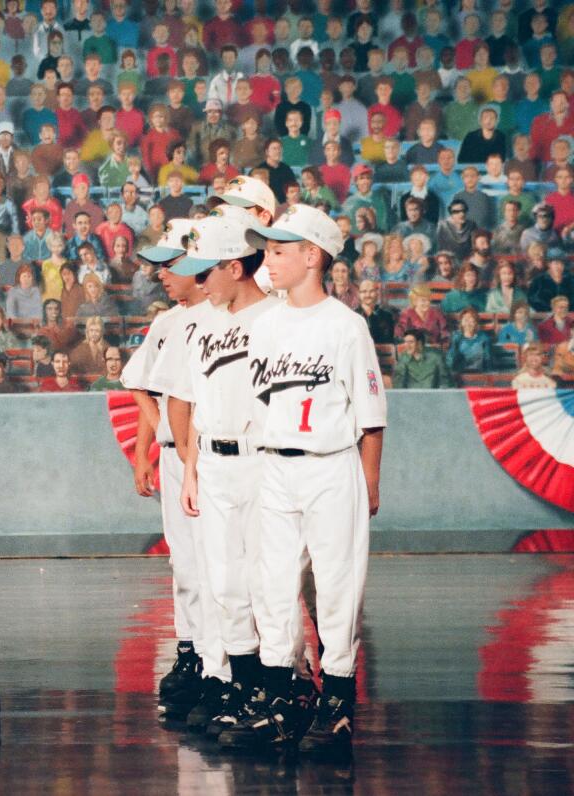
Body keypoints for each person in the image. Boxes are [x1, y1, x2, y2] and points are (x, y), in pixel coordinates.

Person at [224, 205, 386, 757]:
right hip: (275, 465)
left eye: (278, 250)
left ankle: (338, 701)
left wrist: (370, 482)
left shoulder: (346, 326)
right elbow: (255, 405)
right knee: (270, 585)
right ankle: (281, 699)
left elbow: (371, 414)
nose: (267, 259)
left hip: (330, 464)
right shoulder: (264, 324)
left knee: (338, 585)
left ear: (312, 255)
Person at [165, 215, 283, 735]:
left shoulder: (279, 321)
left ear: (235, 267)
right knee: (225, 583)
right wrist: (190, 468)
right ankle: (241, 681)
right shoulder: (205, 324)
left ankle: (281, 688)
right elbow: (198, 406)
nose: (199, 281)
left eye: (207, 270)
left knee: (268, 583)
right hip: (212, 463)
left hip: (262, 461)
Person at [127, 220, 219, 719]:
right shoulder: (167, 321)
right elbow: (145, 385)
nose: (161, 273)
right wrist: (148, 447)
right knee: (184, 564)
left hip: (206, 452)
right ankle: (191, 652)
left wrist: (182, 448)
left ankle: (217, 660)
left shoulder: (219, 315)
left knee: (213, 564)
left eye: (170, 263)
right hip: (174, 449)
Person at [447, 307, 494, 373]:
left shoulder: (484, 338)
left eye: (471, 320)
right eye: (465, 320)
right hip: (460, 375)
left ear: (476, 323)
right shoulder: (456, 337)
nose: (468, 324)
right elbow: (450, 359)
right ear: (461, 323)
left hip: (479, 375)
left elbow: (488, 359)